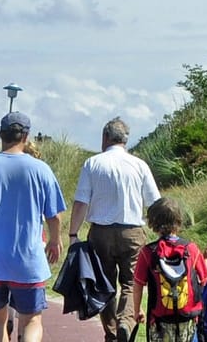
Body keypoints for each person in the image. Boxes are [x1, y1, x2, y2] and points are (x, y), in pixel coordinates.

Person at [0, 112, 66, 342]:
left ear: (1, 134)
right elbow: (54, 216)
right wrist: (55, 240)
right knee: (31, 320)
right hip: (27, 258)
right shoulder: (41, 169)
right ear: (26, 136)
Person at [67, 117, 162, 342]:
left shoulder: (93, 163)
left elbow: (81, 202)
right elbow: (155, 202)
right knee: (132, 282)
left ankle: (111, 333)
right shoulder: (139, 165)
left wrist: (73, 233)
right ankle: (126, 322)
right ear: (126, 141)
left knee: (104, 284)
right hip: (132, 231)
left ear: (105, 137)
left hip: (100, 232)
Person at [129, 198, 207, 342]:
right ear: (179, 220)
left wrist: (137, 311)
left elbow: (137, 284)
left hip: (160, 318)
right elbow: (204, 278)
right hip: (187, 317)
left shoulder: (148, 252)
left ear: (152, 223)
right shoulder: (191, 249)